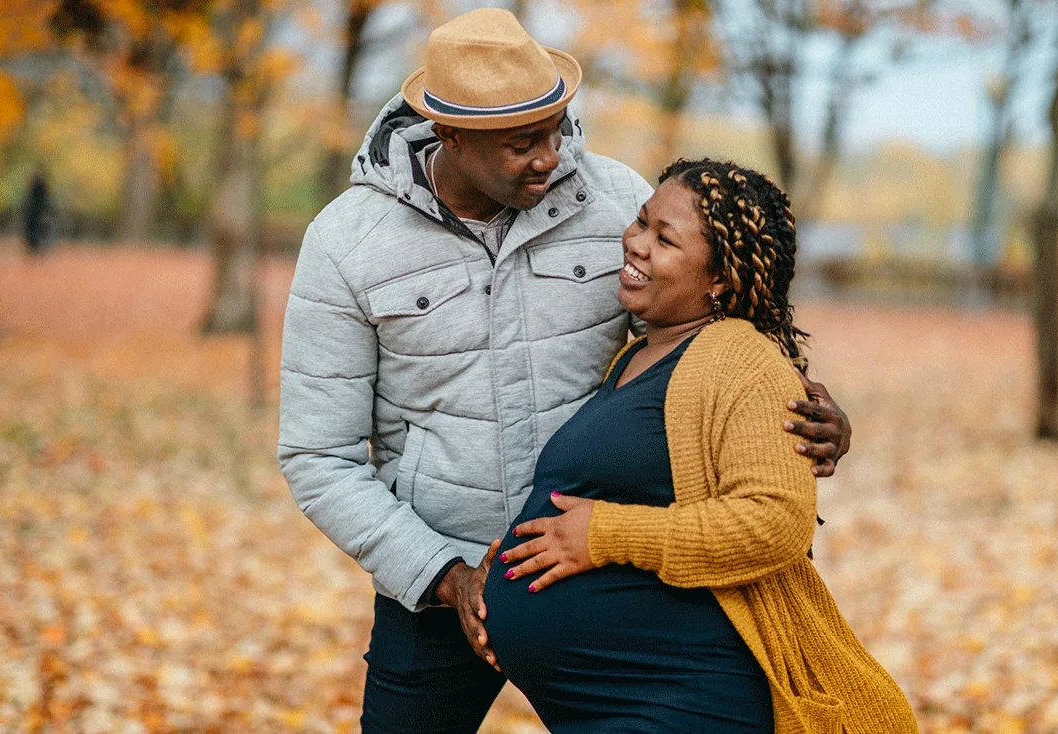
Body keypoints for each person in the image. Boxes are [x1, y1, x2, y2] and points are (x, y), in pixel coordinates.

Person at [278, 9, 851, 732]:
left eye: (555, 129)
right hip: (433, 583)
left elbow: (709, 337)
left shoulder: (613, 201)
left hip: (619, 585)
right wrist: (445, 578)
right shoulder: (346, 244)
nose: (551, 157)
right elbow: (317, 456)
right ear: (450, 135)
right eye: (522, 145)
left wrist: (808, 417)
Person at [485, 160, 918, 733]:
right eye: (641, 223)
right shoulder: (637, 353)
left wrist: (605, 534)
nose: (635, 243)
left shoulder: (741, 359)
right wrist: (528, 545)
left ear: (719, 280)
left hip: (685, 700)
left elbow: (775, 523)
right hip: (626, 700)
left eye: (664, 239)